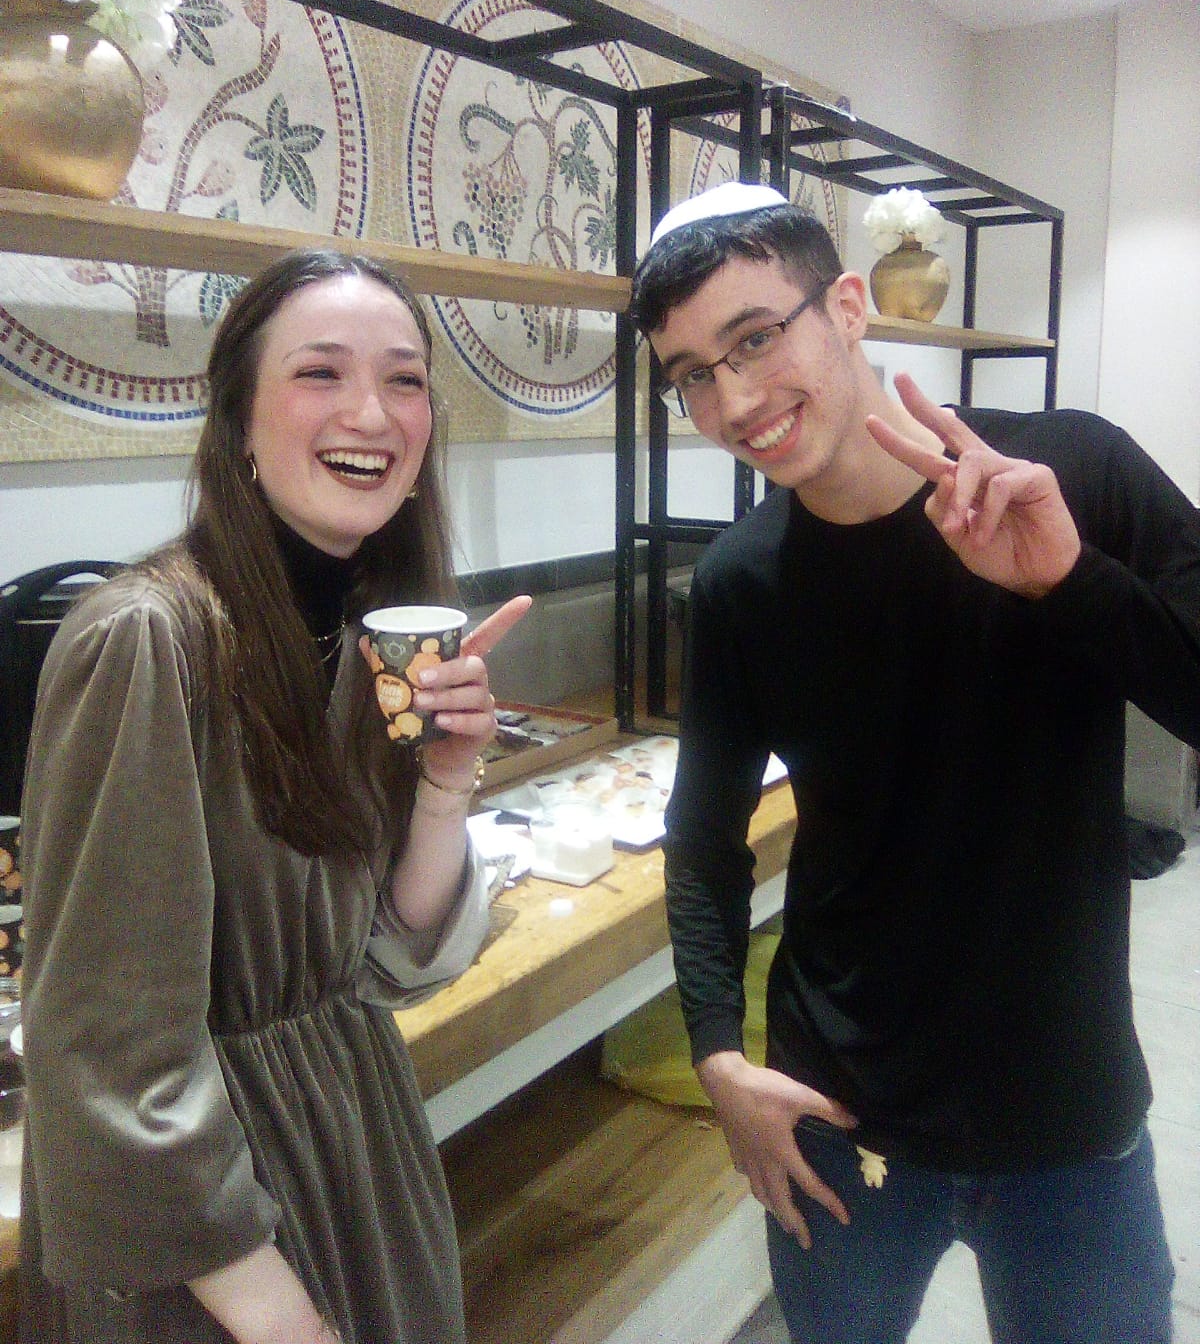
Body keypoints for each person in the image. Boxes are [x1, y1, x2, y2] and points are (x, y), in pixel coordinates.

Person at [631, 181, 1199, 1344]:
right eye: (693, 375)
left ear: (848, 307)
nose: (734, 401)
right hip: (840, 1115)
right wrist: (719, 1055)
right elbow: (703, 840)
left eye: (755, 338)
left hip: (1067, 1109)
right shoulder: (740, 583)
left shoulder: (1068, 468)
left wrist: (1072, 581)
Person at [19, 249, 531, 1344]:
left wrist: (445, 783)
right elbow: (107, 1048)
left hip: (354, 1134)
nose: (372, 413)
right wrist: (279, 1317)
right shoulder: (147, 640)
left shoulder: (361, 635)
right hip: (201, 1216)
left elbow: (387, 960)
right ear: (239, 424)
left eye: (404, 379)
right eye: (319, 372)